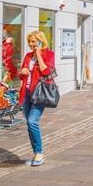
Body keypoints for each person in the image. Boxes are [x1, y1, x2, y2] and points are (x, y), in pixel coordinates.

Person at [18, 31, 56, 166]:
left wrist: (39, 55)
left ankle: (39, 153)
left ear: (41, 41)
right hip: (27, 93)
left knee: (32, 121)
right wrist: (22, 72)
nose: (31, 44)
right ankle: (36, 154)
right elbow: (22, 74)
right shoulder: (28, 56)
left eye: (33, 41)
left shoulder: (49, 54)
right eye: (30, 41)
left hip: (39, 93)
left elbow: (46, 72)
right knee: (29, 124)